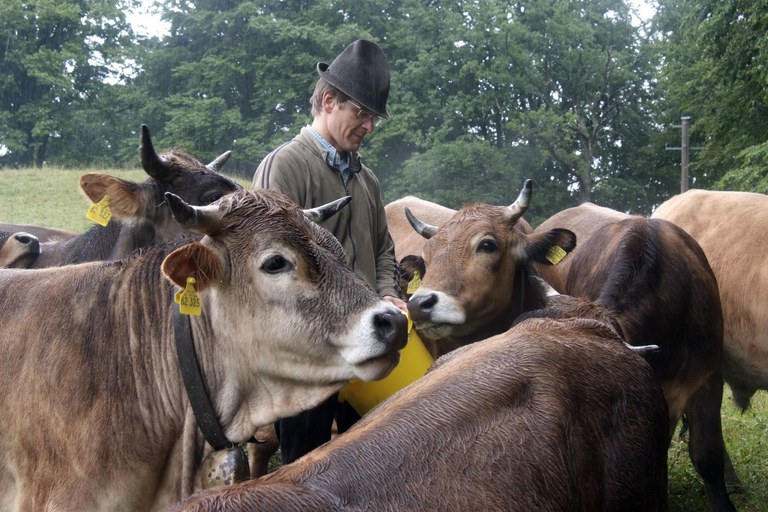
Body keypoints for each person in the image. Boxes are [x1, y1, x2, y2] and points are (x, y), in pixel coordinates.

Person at [252, 39, 406, 464]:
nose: (369, 126)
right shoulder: (284, 165)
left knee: (373, 460)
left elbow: (383, 250)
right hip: (310, 352)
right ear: (328, 100)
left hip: (368, 345)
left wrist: (387, 293)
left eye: (374, 117)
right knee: (306, 465)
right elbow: (271, 265)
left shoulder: (368, 181)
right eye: (361, 112)